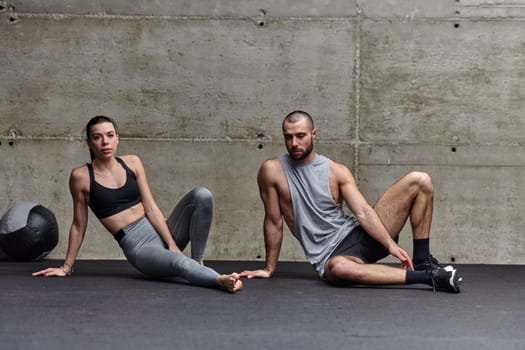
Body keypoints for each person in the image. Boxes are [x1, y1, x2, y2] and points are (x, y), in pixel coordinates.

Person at [240, 110, 462, 293]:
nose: (294, 143)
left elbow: (363, 212)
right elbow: (273, 221)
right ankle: (429, 277)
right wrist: (269, 268)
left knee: (420, 180)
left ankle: (422, 259)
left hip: (362, 234)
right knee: (337, 270)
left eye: (300, 136)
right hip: (334, 255)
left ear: (313, 134)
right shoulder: (272, 171)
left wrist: (390, 245)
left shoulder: (336, 171)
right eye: (288, 137)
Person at [33, 115, 242, 293]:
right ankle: (221, 280)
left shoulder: (132, 162)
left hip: (161, 230)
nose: (105, 142)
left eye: (110, 135)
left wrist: (170, 243)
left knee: (202, 196)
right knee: (178, 262)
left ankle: (198, 264)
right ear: (89, 143)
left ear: (117, 139)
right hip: (139, 247)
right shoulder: (81, 177)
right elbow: (79, 225)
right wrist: (66, 267)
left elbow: (150, 207)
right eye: (97, 137)